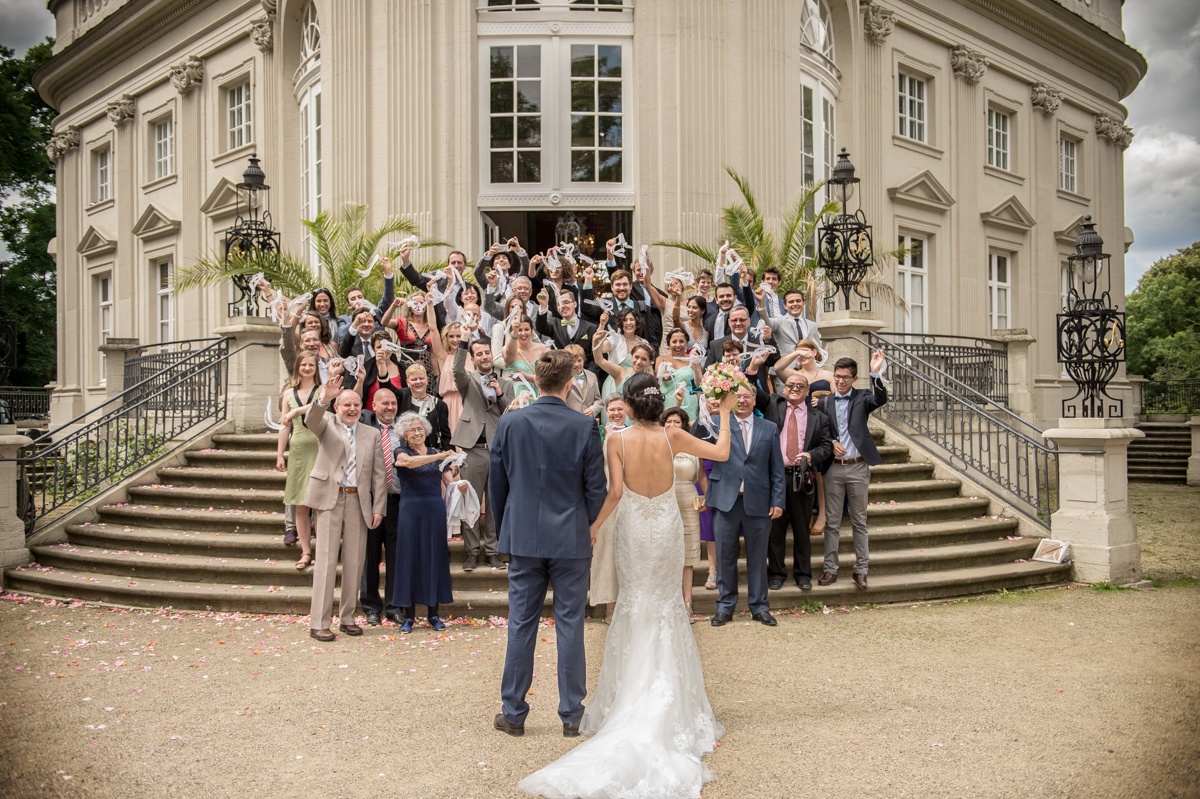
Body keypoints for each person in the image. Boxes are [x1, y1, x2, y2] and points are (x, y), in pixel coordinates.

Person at [517, 372, 736, 798]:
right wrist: (723, 413)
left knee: (635, 601)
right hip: (668, 526)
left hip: (635, 527)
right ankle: (675, 700)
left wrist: (595, 525)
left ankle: (627, 696)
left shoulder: (616, 440)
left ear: (630, 406)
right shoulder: (675, 436)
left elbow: (615, 492)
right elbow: (722, 452)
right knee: (667, 602)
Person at [490, 350, 608, 739]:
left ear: (536, 382)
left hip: (523, 534)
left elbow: (498, 484)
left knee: (521, 622)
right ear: (570, 381)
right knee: (570, 623)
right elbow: (597, 488)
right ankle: (572, 714)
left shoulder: (509, 423)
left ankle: (514, 712)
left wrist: (510, 523)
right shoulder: (583, 425)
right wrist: (584, 522)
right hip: (570, 536)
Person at [303, 369, 387, 642]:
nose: (351, 408)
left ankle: (348, 617)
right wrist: (323, 399)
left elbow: (378, 474)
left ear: (362, 408)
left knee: (354, 561)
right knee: (326, 561)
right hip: (330, 497)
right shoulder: (326, 422)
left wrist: (378, 508)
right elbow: (311, 420)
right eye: (346, 404)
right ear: (337, 407)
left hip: (358, 500)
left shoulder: (371, 433)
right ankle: (319, 622)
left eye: (356, 405)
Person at [702, 383, 785, 627]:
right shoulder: (717, 424)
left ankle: (759, 607)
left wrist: (778, 501)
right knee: (725, 555)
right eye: (736, 396)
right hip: (725, 500)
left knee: (758, 557)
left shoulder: (769, 428)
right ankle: (725, 606)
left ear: (754, 399)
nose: (742, 400)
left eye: (746, 396)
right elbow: (697, 430)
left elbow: (776, 469)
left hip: (758, 501)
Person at [750, 368, 833, 591]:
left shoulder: (820, 418)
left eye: (800, 386)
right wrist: (752, 369)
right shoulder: (774, 404)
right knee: (775, 529)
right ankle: (776, 574)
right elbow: (756, 394)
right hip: (775, 478)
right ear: (783, 389)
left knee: (801, 529)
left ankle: (803, 574)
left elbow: (826, 446)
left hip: (802, 478)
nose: (794, 389)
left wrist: (811, 455)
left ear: (808, 392)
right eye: (790, 385)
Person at [817, 351, 888, 589]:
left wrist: (876, 373)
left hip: (858, 467)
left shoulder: (863, 397)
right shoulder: (825, 401)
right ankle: (830, 569)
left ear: (854, 379)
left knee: (860, 521)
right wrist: (830, 444)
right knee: (833, 522)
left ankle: (861, 570)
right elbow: (820, 433)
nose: (840, 381)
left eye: (846, 377)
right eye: (837, 376)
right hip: (833, 469)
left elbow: (881, 399)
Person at [392, 411, 461, 633]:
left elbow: (449, 482)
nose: (416, 432)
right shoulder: (401, 452)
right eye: (411, 429)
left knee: (434, 557)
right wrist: (440, 457)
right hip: (410, 511)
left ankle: (433, 614)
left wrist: (460, 482)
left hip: (434, 510)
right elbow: (409, 464)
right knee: (408, 558)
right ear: (404, 434)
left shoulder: (436, 453)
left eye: (420, 428)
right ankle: (409, 616)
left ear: (426, 431)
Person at [451, 336, 515, 572]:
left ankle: (493, 552)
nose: (484, 356)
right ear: (473, 358)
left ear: (492, 353)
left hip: (498, 450)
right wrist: (463, 341)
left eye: (487, 352)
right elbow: (456, 370)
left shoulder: (505, 383)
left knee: (496, 505)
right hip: (472, 450)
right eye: (479, 354)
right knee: (471, 503)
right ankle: (471, 552)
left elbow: (510, 412)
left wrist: (499, 393)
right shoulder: (468, 380)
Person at [775, 338, 836, 532]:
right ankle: (804, 516)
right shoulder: (794, 375)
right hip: (798, 423)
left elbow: (837, 399)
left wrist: (824, 402)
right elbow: (778, 368)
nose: (802, 355)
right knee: (807, 473)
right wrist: (795, 354)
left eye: (806, 351)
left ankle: (823, 515)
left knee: (820, 475)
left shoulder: (827, 374)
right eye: (798, 352)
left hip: (822, 422)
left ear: (815, 352)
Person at [358, 386, 403, 627]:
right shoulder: (364, 429)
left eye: (393, 403)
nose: (389, 407)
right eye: (384, 403)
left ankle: (394, 606)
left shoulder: (404, 430)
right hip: (371, 500)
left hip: (397, 501)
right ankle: (371, 607)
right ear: (373, 406)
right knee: (370, 555)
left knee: (396, 556)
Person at [275, 352, 321, 569]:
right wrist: (279, 454)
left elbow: (321, 408)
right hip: (299, 451)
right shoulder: (288, 394)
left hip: (321, 448)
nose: (307, 368)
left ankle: (322, 549)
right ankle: (305, 552)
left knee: (320, 505)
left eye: (311, 364)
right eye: (304, 364)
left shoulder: (321, 390)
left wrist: (296, 411)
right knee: (301, 506)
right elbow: (285, 427)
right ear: (298, 367)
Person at [662, 406, 707, 619]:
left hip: (689, 503)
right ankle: (668, 604)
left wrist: (708, 497)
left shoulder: (693, 448)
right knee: (666, 554)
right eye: (668, 422)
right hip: (664, 503)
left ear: (684, 425)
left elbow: (701, 477)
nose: (672, 425)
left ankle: (687, 603)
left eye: (676, 422)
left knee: (687, 557)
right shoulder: (658, 446)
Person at [589, 392, 627, 625]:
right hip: (606, 500)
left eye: (620, 409)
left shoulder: (634, 433)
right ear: (606, 411)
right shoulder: (599, 433)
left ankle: (629, 605)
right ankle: (610, 606)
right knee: (608, 554)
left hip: (631, 498)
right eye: (612, 409)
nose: (615, 413)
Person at [535, 285, 599, 377]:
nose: (563, 306)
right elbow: (541, 327)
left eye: (566, 302)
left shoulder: (591, 328)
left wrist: (586, 376)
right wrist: (543, 305)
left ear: (575, 304)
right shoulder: (554, 324)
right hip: (560, 379)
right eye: (559, 304)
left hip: (584, 378)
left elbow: (596, 358)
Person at [397, 363, 451, 451]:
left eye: (421, 378)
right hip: (407, 453)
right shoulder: (402, 397)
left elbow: (446, 435)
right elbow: (386, 387)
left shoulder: (439, 404)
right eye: (414, 379)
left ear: (426, 380)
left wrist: (451, 459)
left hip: (432, 453)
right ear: (408, 382)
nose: (418, 382)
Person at [759, 287, 821, 353]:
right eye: (791, 302)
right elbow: (767, 322)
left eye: (798, 301)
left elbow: (818, 348)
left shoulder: (812, 325)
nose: (795, 304)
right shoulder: (780, 321)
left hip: (808, 362)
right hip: (788, 362)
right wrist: (761, 301)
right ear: (785, 306)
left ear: (803, 303)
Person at [657, 327, 700, 422]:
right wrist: (665, 376)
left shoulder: (693, 360)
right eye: (674, 342)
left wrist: (696, 365)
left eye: (681, 341)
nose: (678, 345)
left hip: (689, 401)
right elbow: (659, 376)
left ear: (687, 343)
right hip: (669, 401)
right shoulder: (661, 359)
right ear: (669, 344)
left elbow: (698, 385)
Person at [503, 312, 548, 401]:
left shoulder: (543, 349)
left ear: (531, 330)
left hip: (540, 399)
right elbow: (509, 354)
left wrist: (527, 377)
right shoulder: (508, 350)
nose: (523, 333)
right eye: (520, 330)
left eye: (526, 329)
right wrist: (515, 332)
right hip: (519, 401)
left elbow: (551, 378)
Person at [704, 303, 764, 368]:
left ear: (749, 321)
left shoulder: (760, 343)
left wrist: (768, 340)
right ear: (729, 322)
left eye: (742, 320)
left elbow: (773, 362)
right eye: (734, 320)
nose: (738, 323)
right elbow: (707, 373)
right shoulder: (716, 345)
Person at [437, 322, 469, 431]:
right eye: (451, 336)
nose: (455, 340)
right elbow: (432, 328)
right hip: (449, 403)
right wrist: (430, 304)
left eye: (458, 336)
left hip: (468, 402)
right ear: (446, 337)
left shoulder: (472, 355)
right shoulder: (444, 356)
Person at [563, 344, 603, 418]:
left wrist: (593, 410)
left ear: (584, 359)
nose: (577, 364)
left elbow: (598, 400)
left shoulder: (592, 376)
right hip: (569, 419)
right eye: (573, 361)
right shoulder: (562, 378)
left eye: (579, 360)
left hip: (588, 421)